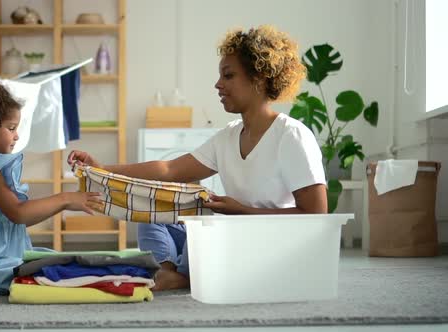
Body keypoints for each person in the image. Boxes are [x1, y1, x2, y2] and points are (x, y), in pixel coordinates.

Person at [67, 25, 327, 291]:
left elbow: (316, 216)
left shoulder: (291, 135)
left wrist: (242, 212)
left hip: (267, 247)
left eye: (228, 75)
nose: (218, 84)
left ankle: (182, 275)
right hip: (231, 235)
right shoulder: (228, 136)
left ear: (258, 79)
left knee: (206, 228)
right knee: (149, 212)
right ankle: (170, 272)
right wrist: (102, 169)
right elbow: (168, 169)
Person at [0, 78, 101, 296]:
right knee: (61, 270)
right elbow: (18, 213)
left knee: (59, 261)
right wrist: (66, 199)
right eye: (11, 128)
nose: (17, 135)